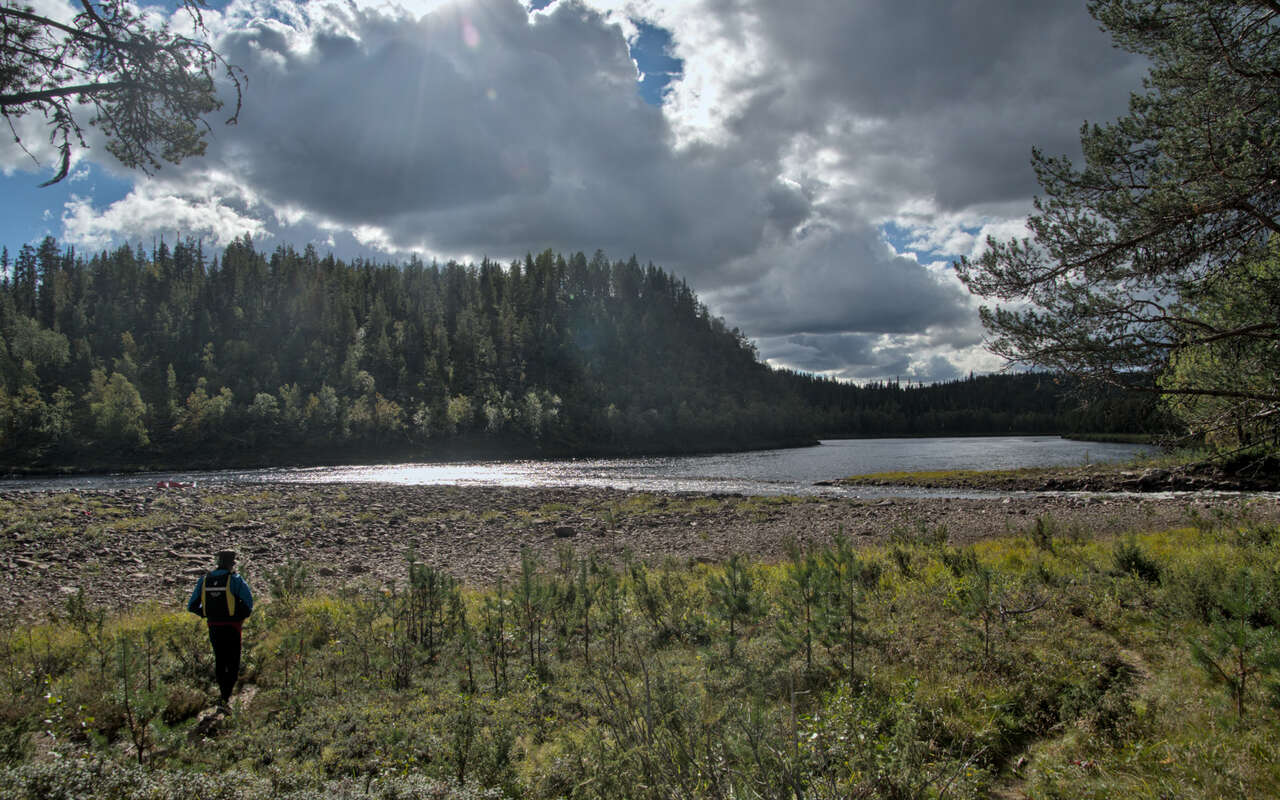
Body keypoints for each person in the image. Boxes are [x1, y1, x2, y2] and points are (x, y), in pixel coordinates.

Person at [187, 549, 253, 708]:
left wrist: (206, 613)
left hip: (214, 626)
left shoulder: (204, 580)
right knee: (233, 662)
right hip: (233, 627)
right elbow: (249, 604)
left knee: (220, 660)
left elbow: (191, 606)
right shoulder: (235, 579)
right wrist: (239, 617)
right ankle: (225, 698)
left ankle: (223, 694)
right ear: (232, 563)